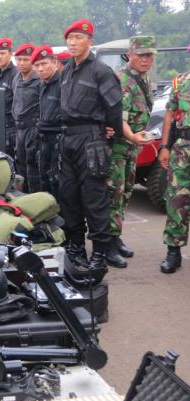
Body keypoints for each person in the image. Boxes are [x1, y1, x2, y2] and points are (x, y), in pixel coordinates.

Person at [59, 19, 123, 273]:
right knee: (69, 197)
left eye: (78, 37)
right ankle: (75, 247)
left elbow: (115, 109)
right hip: (68, 138)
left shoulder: (101, 71)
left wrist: (109, 135)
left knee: (94, 199)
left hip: (91, 139)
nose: (73, 42)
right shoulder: (65, 71)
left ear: (90, 41)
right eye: (70, 38)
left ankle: (99, 253)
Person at [106, 36, 157, 268]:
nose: (146, 59)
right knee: (113, 194)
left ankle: (115, 238)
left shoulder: (143, 80)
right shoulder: (122, 80)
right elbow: (119, 117)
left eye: (149, 55)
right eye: (141, 55)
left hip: (133, 147)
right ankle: (106, 243)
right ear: (131, 54)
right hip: (119, 147)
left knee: (125, 193)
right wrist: (132, 136)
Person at [158, 64, 190, 273]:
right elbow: (170, 114)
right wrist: (165, 146)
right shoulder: (181, 80)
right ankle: (173, 251)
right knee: (176, 199)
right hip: (182, 150)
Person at [31, 45, 62, 199]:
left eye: (44, 64)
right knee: (44, 178)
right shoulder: (43, 84)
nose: (40, 69)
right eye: (37, 65)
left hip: (59, 140)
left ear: (54, 62)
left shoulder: (63, 83)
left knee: (57, 181)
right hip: (44, 140)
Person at [12, 43, 41, 192]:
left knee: (33, 166)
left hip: (33, 129)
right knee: (20, 164)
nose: (22, 63)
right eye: (19, 60)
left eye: (25, 59)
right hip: (20, 129)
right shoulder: (16, 79)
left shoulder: (39, 80)